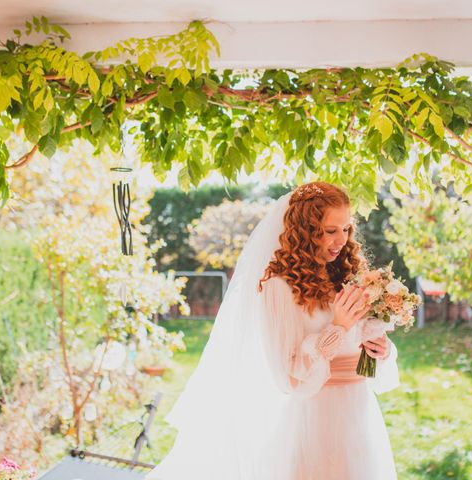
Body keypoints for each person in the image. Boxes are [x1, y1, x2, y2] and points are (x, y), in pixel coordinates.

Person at [146, 181, 399, 480]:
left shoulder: (348, 277)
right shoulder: (279, 288)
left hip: (360, 416)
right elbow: (289, 374)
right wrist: (339, 327)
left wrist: (381, 351)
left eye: (346, 229)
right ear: (306, 230)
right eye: (330, 231)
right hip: (313, 422)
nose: (340, 240)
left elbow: (360, 355)